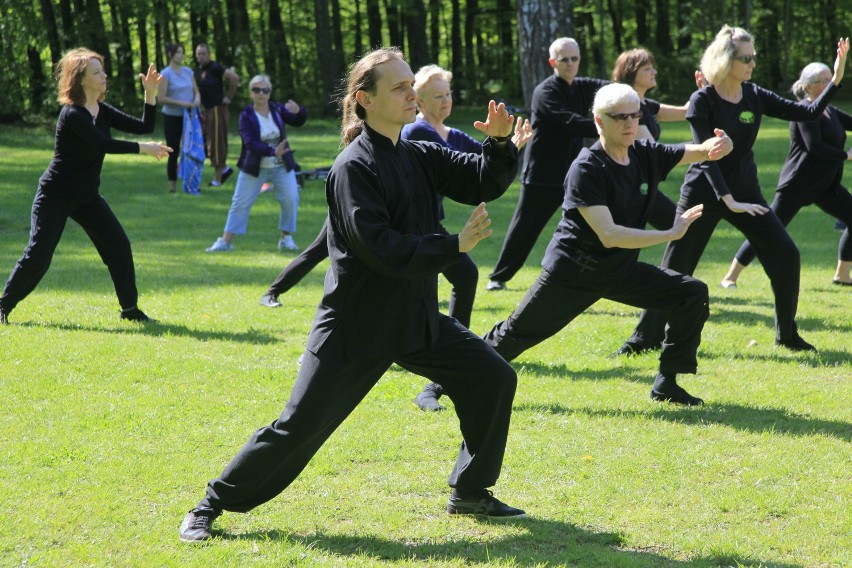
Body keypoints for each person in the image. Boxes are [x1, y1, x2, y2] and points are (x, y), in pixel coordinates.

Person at [179, 47, 525, 543]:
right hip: (356, 329)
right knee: (297, 428)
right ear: (364, 99)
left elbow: (479, 182)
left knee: (493, 377)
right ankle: (210, 503)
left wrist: (497, 144)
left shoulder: (418, 152)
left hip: (416, 319)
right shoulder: (352, 168)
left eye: (412, 85)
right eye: (401, 88)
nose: (412, 95)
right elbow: (379, 247)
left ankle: (469, 490)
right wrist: (453, 246)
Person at [483, 83, 732, 405]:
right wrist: (669, 233)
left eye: (634, 115)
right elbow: (609, 234)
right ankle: (440, 382)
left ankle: (667, 383)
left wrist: (720, 144)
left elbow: (698, 150)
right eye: (620, 117)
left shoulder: (643, 153)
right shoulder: (586, 168)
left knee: (691, 294)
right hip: (574, 272)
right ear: (599, 121)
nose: (630, 123)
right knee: (513, 337)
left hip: (619, 270)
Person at [616, 28, 848, 355]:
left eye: (753, 56)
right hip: (704, 192)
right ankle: (643, 338)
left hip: (746, 193)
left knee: (786, 254)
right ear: (726, 61)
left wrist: (836, 78)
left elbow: (807, 111)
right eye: (746, 57)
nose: (753, 63)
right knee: (675, 267)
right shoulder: (702, 101)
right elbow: (706, 155)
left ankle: (787, 335)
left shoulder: (753, 94)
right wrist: (726, 199)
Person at [0, 48, 171, 325]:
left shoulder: (102, 110)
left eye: (102, 70)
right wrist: (143, 149)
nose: (104, 75)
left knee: (118, 245)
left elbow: (144, 126)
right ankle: (3, 306)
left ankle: (130, 309)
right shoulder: (72, 114)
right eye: (97, 72)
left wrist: (150, 94)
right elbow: (102, 144)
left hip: (87, 197)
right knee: (38, 255)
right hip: (55, 195)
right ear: (80, 80)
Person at [401, 64, 531, 411]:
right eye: (437, 96)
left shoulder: (448, 132)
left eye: (448, 94)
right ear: (420, 101)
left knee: (463, 274)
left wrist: (505, 144)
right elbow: (466, 162)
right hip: (407, 228)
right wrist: (500, 147)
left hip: (429, 225)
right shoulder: (418, 132)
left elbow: (481, 162)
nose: (445, 101)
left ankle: (446, 360)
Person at [485, 37, 608, 291]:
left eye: (575, 58)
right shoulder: (545, 92)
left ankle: (593, 274)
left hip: (574, 174)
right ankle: (499, 277)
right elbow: (569, 122)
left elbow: (612, 89)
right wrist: (607, 126)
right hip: (543, 174)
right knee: (525, 227)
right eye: (566, 59)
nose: (572, 63)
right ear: (553, 62)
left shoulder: (583, 86)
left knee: (591, 223)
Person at [719, 62, 852, 288]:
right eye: (824, 81)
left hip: (825, 185)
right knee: (767, 230)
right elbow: (815, 146)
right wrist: (846, 156)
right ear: (808, 87)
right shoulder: (804, 111)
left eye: (832, 79)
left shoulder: (830, 110)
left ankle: (842, 274)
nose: (830, 84)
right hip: (797, 185)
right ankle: (731, 276)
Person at [206, 74, 306, 253]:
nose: (261, 93)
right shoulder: (246, 115)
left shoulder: (277, 109)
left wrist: (299, 111)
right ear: (251, 93)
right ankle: (225, 242)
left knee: (291, 198)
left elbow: (297, 121)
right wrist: (271, 151)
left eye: (265, 90)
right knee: (240, 202)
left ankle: (286, 238)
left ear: (270, 92)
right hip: (254, 167)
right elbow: (249, 142)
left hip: (281, 165)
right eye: (256, 90)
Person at [611, 48, 689, 231]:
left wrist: (707, 91)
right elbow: (654, 151)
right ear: (631, 72)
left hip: (641, 183)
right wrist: (700, 149)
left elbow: (686, 112)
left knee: (678, 226)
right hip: (630, 185)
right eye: (647, 69)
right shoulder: (630, 106)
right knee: (677, 225)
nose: (654, 72)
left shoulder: (645, 103)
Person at [194, 43, 240, 187]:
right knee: (205, 142)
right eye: (198, 54)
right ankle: (224, 169)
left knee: (217, 143)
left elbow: (233, 78)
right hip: (206, 111)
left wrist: (229, 97)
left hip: (217, 110)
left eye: (203, 54)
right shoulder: (200, 71)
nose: (201, 57)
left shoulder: (215, 68)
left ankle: (218, 179)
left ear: (209, 55)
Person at [157, 43, 200, 193]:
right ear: (170, 55)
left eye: (182, 52)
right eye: (178, 53)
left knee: (191, 149)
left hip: (189, 117)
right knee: (173, 150)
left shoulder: (188, 72)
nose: (181, 55)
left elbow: (196, 91)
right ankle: (172, 186)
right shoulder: (166, 73)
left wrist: (196, 100)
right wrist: (181, 103)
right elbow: (161, 98)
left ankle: (192, 182)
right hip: (172, 117)